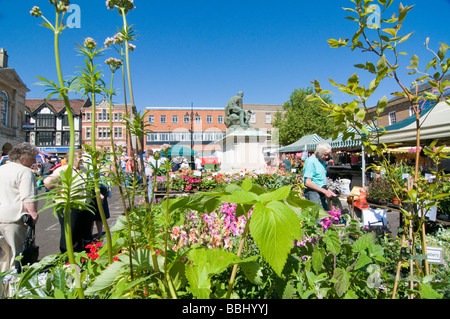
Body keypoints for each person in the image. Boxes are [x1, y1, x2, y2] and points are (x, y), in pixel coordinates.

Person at [44, 150, 93, 253]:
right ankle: (67, 256)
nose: (81, 159)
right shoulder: (63, 170)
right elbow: (47, 182)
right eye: (79, 157)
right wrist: (59, 190)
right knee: (70, 232)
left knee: (83, 231)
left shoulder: (84, 169)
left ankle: (81, 254)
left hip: (84, 205)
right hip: (69, 205)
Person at [0, 143, 39, 272]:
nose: (35, 161)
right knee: (18, 256)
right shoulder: (25, 171)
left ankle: (2, 288)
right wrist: (33, 215)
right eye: (33, 157)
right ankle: (15, 288)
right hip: (15, 218)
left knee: (2, 256)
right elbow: (28, 196)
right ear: (23, 157)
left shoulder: (2, 169)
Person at [303, 142, 336, 211]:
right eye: (325, 155)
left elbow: (320, 180)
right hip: (313, 193)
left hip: (321, 191)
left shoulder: (322, 161)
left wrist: (328, 190)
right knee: (317, 217)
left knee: (326, 215)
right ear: (318, 152)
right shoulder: (311, 162)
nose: (327, 157)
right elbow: (308, 182)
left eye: (328, 155)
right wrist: (325, 191)